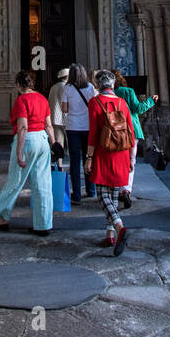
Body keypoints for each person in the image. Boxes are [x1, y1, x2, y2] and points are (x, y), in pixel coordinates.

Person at [0, 70, 55, 235]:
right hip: (43, 141)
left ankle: (2, 218)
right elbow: (49, 125)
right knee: (43, 184)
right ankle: (43, 225)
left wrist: (19, 153)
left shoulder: (22, 100)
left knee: (15, 181)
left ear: (19, 85)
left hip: (28, 141)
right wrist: (54, 143)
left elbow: (23, 127)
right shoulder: (42, 98)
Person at [84, 68, 136, 254]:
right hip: (121, 152)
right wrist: (131, 158)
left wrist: (89, 157)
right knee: (113, 193)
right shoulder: (122, 103)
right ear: (113, 84)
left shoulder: (95, 102)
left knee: (102, 194)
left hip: (103, 151)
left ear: (98, 85)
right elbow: (130, 131)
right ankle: (110, 235)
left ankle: (119, 226)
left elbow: (93, 133)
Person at [112, 69, 159, 207]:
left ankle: (119, 188)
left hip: (116, 130)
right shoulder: (128, 92)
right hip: (132, 130)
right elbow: (138, 108)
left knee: (119, 160)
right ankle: (126, 190)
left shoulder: (110, 94)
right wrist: (151, 100)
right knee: (131, 160)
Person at [61, 63, 96, 203]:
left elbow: (64, 109)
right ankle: (91, 190)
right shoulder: (90, 87)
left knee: (74, 162)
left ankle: (76, 195)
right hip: (88, 128)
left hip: (73, 128)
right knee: (89, 158)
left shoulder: (67, 88)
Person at [47, 66, 69, 167]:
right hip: (66, 119)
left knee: (58, 143)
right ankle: (71, 165)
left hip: (54, 119)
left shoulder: (53, 87)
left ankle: (59, 165)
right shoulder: (65, 87)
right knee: (70, 145)